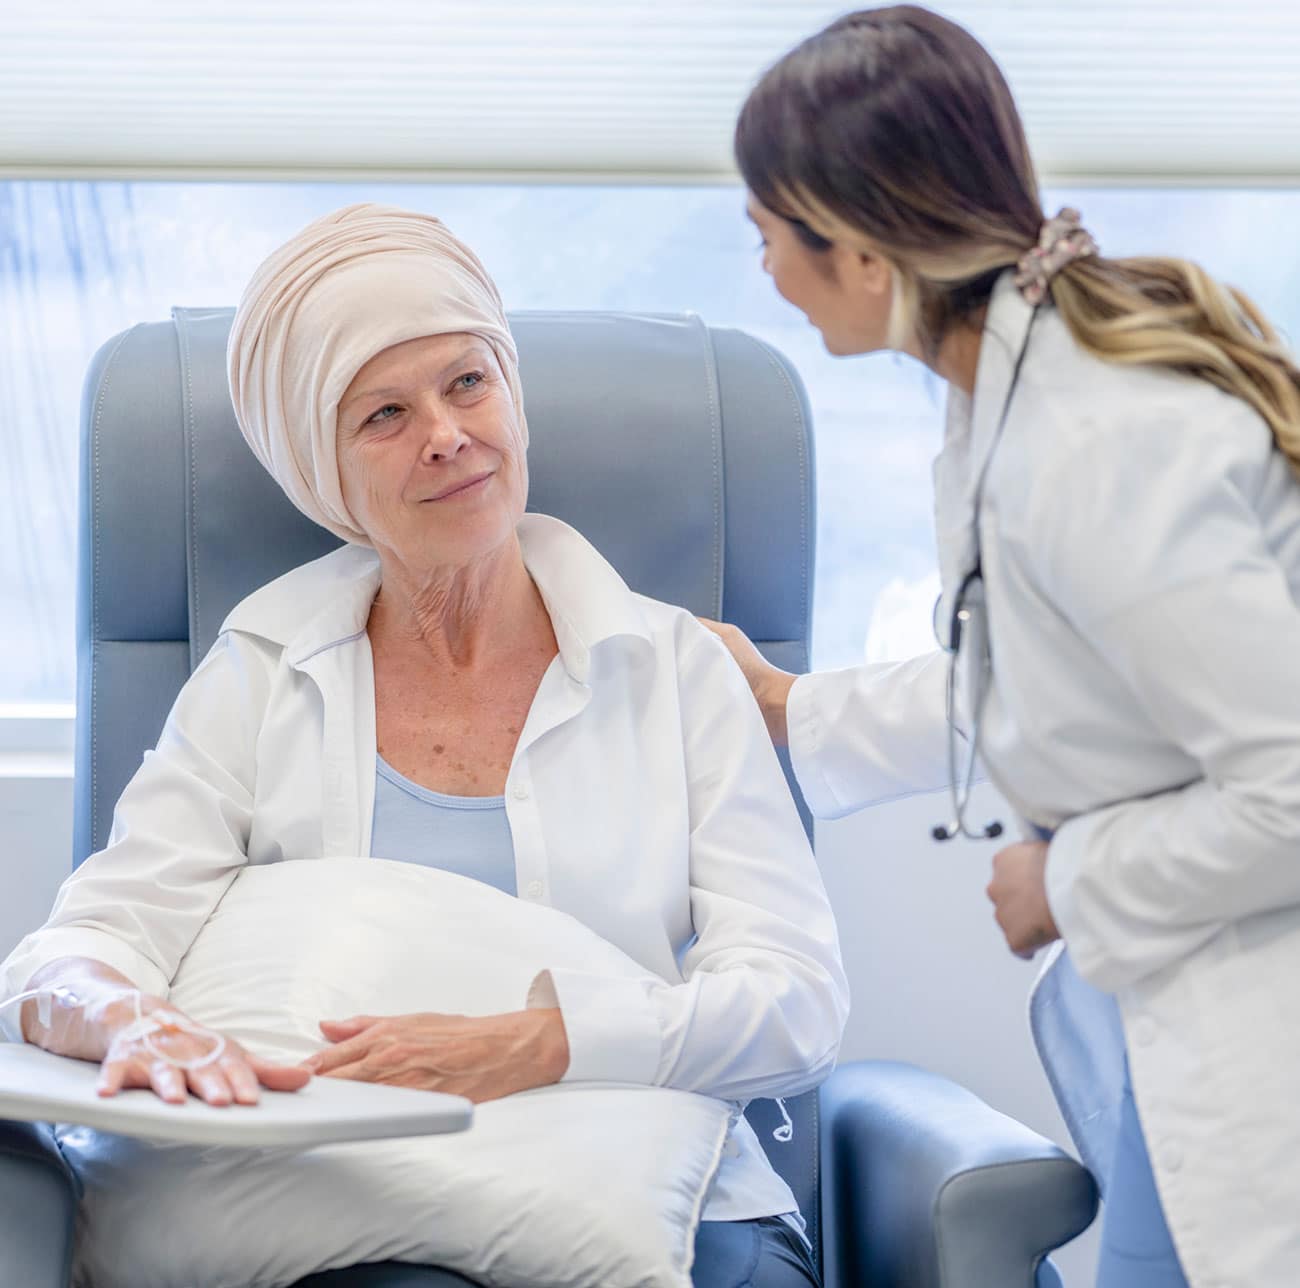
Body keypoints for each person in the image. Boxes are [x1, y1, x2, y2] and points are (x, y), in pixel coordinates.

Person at [0, 202, 847, 1288]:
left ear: (513, 398)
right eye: (384, 415)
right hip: (343, 1206)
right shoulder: (261, 670)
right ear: (326, 475)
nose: (446, 433)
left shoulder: (677, 670)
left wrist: (545, 1042)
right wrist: (121, 1017)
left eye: (467, 383)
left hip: (662, 1207)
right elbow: (82, 944)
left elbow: (797, 1001)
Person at [703, 7, 1300, 1286]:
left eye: (769, 236)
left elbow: (1291, 787)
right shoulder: (1014, 392)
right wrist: (783, 706)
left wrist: (1063, 880)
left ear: (860, 251)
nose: (764, 273)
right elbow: (1051, 680)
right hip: (1178, 1005)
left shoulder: (1096, 444)